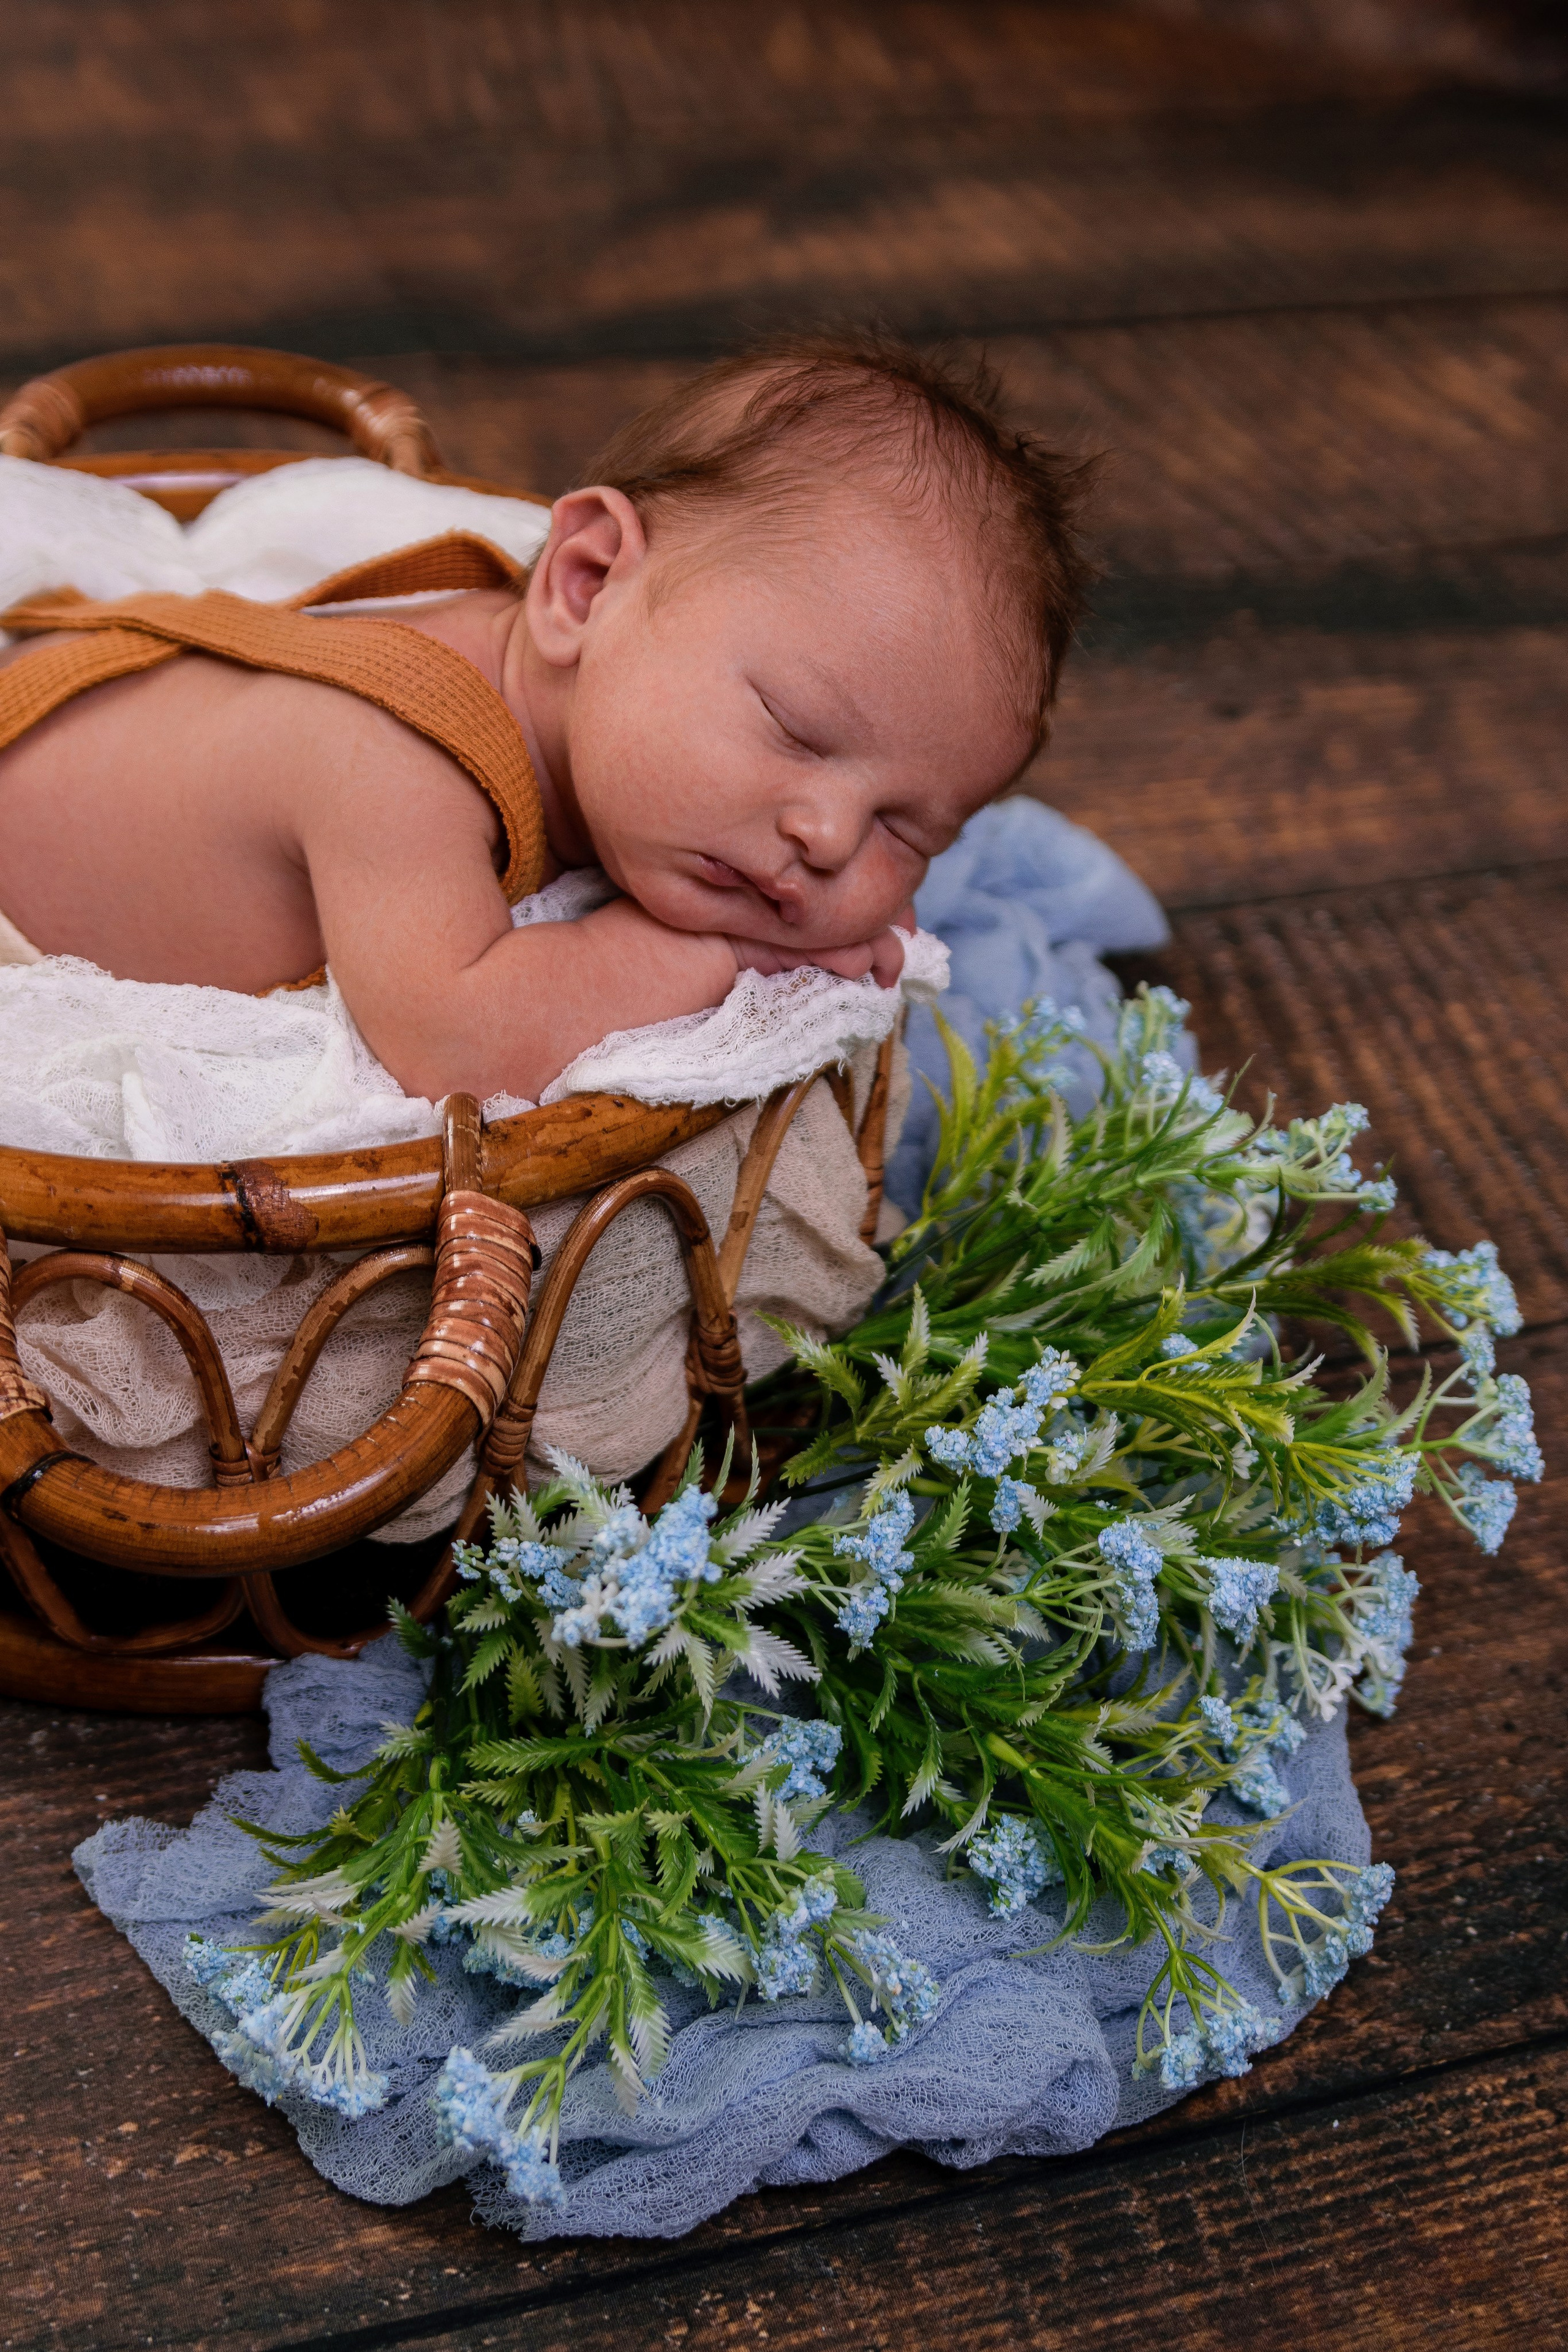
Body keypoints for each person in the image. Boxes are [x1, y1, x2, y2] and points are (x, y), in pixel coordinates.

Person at [0, 334, 1091, 1102]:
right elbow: (454, 1041)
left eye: (912, 829)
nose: (830, 836)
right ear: (584, 582)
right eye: (796, 729)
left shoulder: (584, 697)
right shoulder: (394, 758)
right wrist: (705, 960)